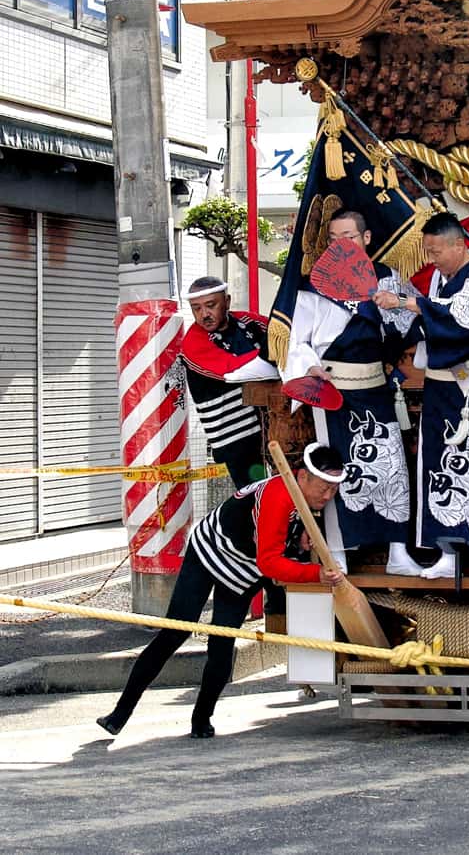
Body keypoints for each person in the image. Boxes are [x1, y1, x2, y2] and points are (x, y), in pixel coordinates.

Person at [96, 443, 343, 739]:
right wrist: (315, 574)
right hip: (210, 549)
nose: (328, 496)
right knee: (175, 630)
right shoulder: (279, 495)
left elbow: (277, 548)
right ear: (302, 477)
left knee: (223, 641)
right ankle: (120, 713)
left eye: (333, 490)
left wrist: (299, 539)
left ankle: (202, 718)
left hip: (244, 569)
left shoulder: (307, 499)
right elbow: (271, 564)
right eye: (324, 488)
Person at [374, 212, 469, 579]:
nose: (432, 259)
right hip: (438, 384)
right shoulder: (440, 277)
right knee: (438, 466)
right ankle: (447, 553)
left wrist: (408, 303)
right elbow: (429, 319)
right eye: (428, 251)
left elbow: (460, 318)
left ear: (459, 244)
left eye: (437, 251)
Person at [281, 210, 422, 578]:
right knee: (337, 471)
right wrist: (309, 367)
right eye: (333, 239)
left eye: (350, 237)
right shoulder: (314, 285)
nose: (342, 245)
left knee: (391, 467)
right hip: (334, 390)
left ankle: (397, 551)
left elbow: (413, 323)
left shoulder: (389, 279)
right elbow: (296, 339)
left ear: (367, 239)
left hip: (376, 385)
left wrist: (386, 307)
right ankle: (338, 551)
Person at [179, 277, 275, 489]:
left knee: (287, 488)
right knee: (255, 494)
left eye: (211, 305)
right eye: (196, 308)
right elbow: (234, 369)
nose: (204, 314)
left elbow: (282, 335)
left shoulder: (249, 322)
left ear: (227, 301)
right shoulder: (193, 342)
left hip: (273, 425)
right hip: (235, 438)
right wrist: (270, 359)